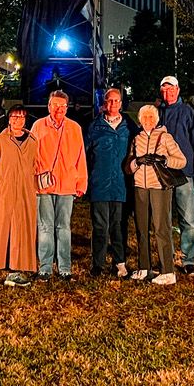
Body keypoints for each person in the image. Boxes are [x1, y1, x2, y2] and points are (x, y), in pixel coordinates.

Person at [126, 103, 187, 285]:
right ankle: (144, 267)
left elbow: (182, 161)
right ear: (139, 120)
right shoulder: (137, 138)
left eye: (151, 117)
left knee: (162, 228)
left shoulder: (165, 137)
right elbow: (129, 164)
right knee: (141, 227)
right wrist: (137, 162)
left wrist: (165, 160)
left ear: (157, 119)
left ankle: (167, 270)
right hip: (140, 187)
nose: (147, 121)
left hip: (159, 187)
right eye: (144, 118)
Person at [31, 90, 87, 280]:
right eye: (55, 105)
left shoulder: (75, 128)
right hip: (44, 185)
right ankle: (45, 267)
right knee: (45, 227)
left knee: (63, 227)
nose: (59, 109)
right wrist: (35, 177)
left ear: (67, 107)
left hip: (67, 184)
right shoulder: (38, 126)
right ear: (49, 106)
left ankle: (65, 267)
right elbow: (32, 155)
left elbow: (81, 156)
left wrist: (81, 182)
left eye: (63, 106)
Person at [0, 105, 38, 288]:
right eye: (14, 116)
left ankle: (16, 271)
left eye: (21, 117)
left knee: (22, 230)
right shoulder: (0, 139)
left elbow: (35, 166)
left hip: (24, 193)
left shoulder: (32, 141)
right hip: (3, 192)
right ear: (9, 119)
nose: (18, 120)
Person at [156, 75, 194, 277]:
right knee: (164, 219)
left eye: (171, 90)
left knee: (188, 220)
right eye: (164, 90)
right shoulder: (157, 112)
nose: (167, 94)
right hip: (162, 173)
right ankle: (166, 258)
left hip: (184, 173)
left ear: (177, 90)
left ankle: (188, 260)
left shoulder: (187, 112)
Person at [85, 87, 137, 277]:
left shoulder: (129, 126)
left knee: (119, 225)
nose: (113, 104)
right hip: (100, 182)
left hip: (121, 184)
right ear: (104, 103)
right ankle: (97, 263)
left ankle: (119, 262)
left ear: (121, 104)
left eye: (116, 101)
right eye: (109, 101)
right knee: (99, 226)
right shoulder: (94, 127)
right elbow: (85, 153)